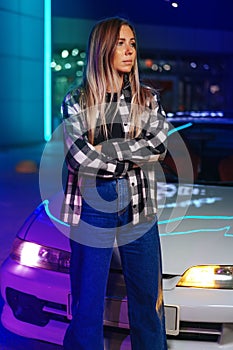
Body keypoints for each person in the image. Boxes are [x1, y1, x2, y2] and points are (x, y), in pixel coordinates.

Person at [60, 16, 168, 350]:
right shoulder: (77, 101)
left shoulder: (147, 99)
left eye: (132, 43)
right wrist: (133, 152)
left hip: (140, 204)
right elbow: (82, 160)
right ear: (102, 48)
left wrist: (106, 151)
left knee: (147, 300)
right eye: (120, 43)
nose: (129, 51)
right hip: (93, 203)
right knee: (88, 301)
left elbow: (160, 146)